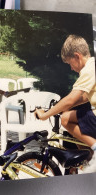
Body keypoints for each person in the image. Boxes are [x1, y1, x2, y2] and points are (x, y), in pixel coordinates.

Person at [34, 35, 96, 173]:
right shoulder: (92, 65)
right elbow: (84, 97)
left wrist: (45, 115)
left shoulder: (88, 70)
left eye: (69, 63)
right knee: (67, 114)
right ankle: (89, 157)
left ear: (77, 56)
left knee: (65, 119)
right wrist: (61, 107)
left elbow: (71, 99)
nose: (71, 68)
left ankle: (95, 151)